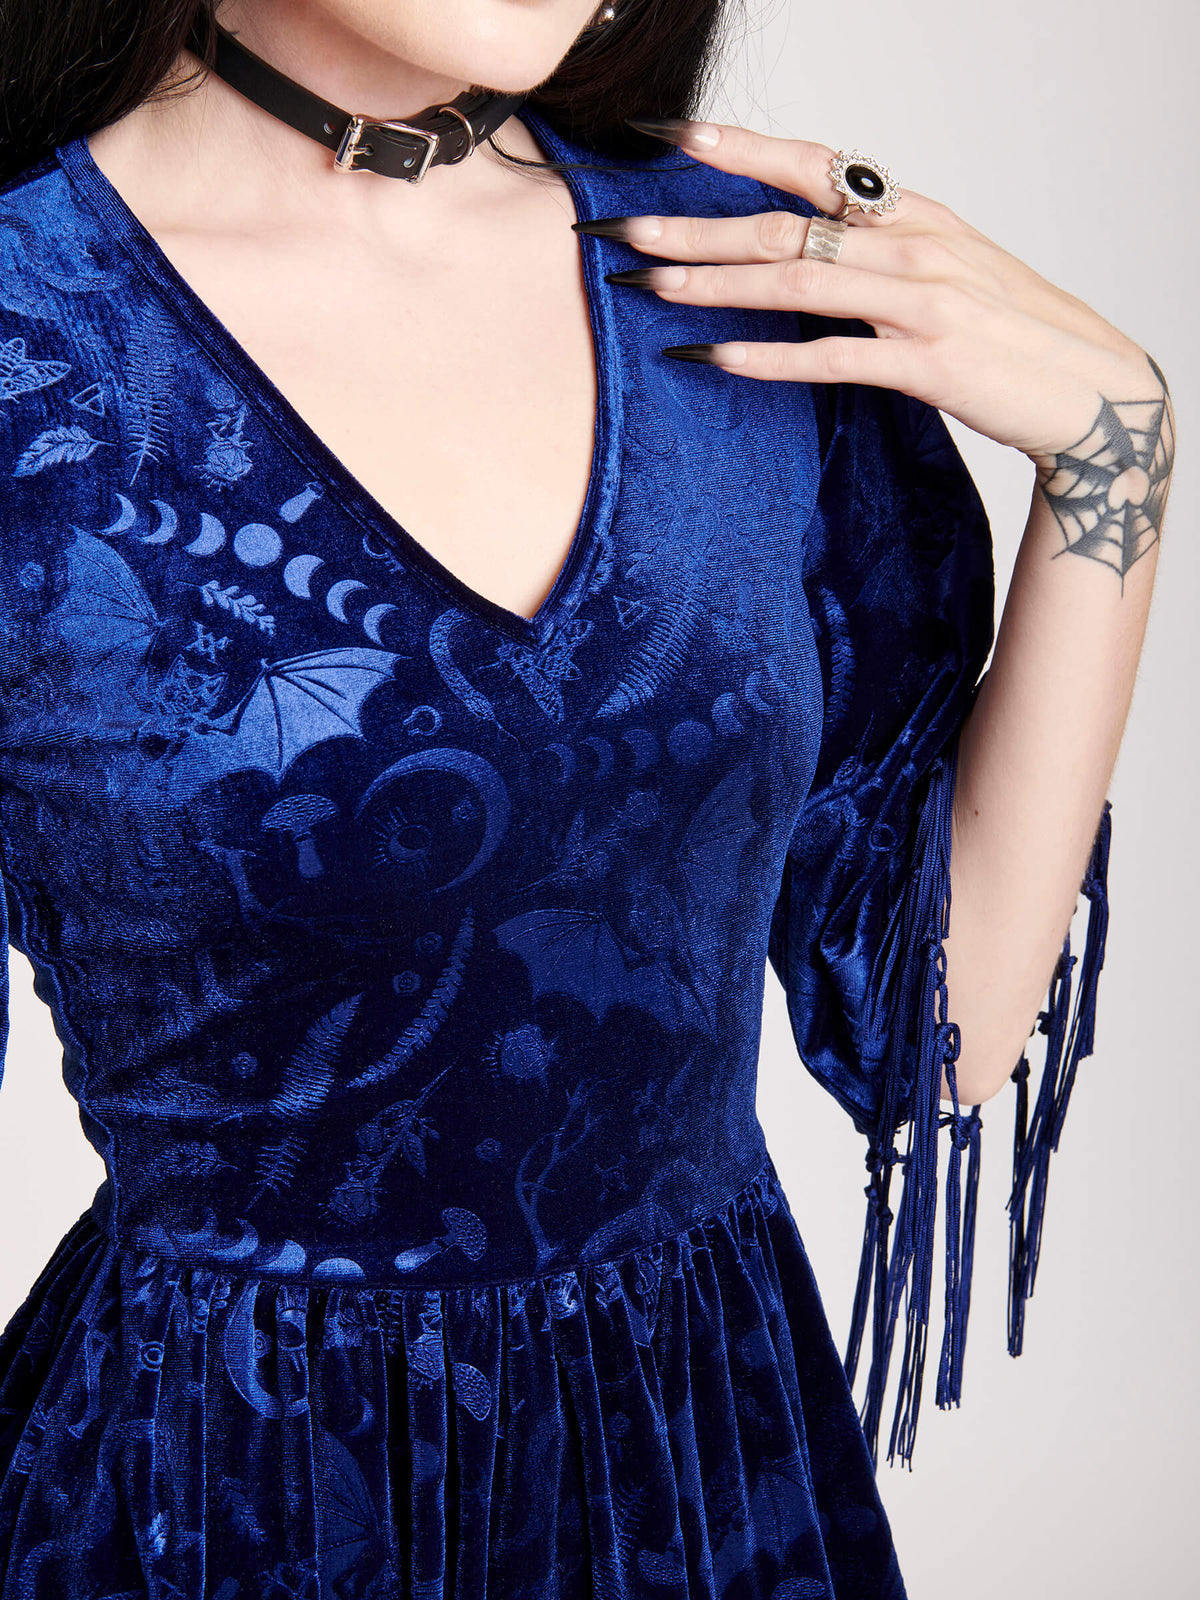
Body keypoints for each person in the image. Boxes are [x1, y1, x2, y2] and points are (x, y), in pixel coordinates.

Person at [0, 0, 1172, 1594]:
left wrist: (1115, 461)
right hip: (219, 1498)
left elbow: (936, 1023)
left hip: (704, 1471)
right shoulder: (33, 338)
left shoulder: (744, 277)